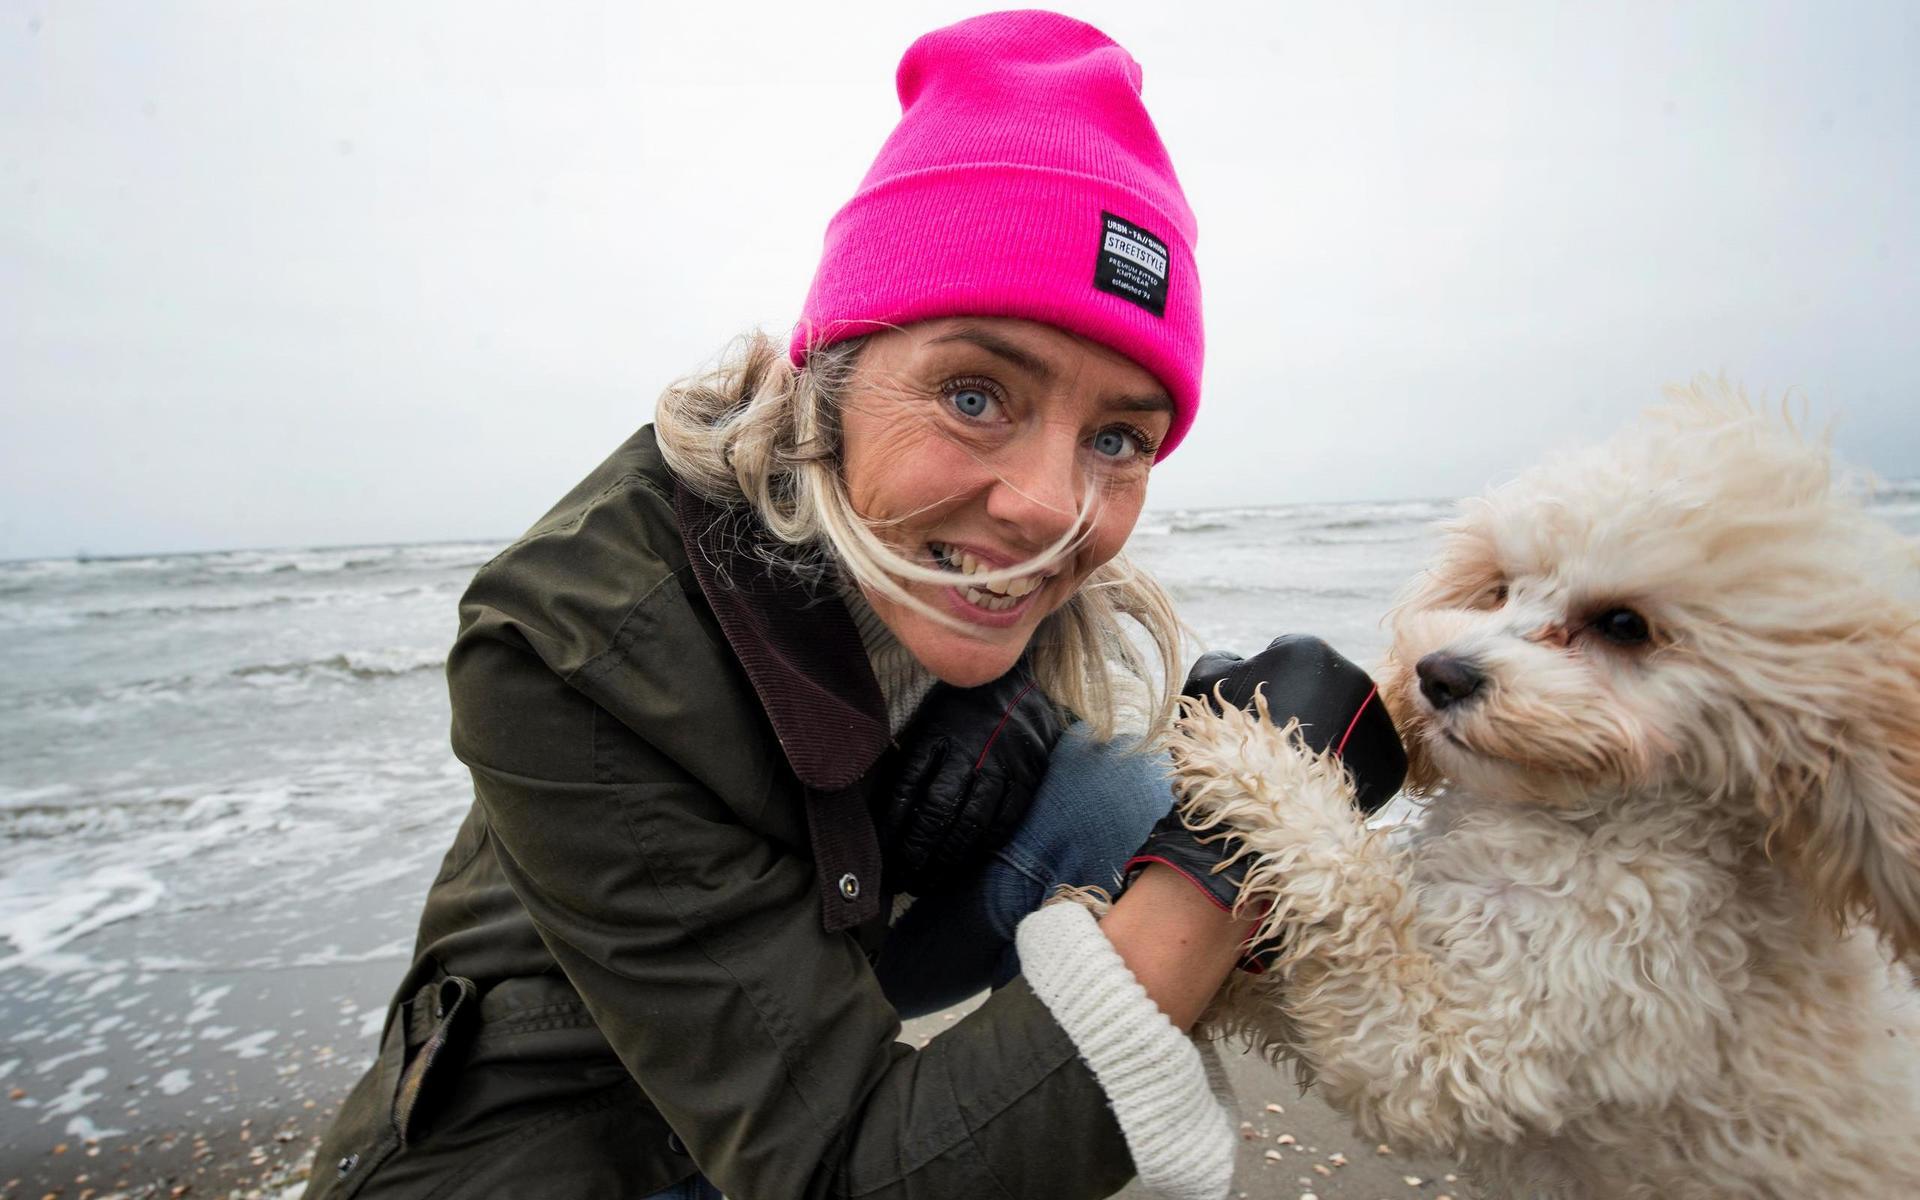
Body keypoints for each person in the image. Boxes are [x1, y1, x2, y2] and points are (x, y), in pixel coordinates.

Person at [303, 12, 1401, 1200]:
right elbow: (832, 1178)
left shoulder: (1002, 584)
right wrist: (1217, 862)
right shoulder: (570, 642)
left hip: (827, 967)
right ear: (825, 378)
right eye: (976, 394)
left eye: (1119, 436)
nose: (1047, 508)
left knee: (1130, 789)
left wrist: (1288, 783)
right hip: (547, 1149)